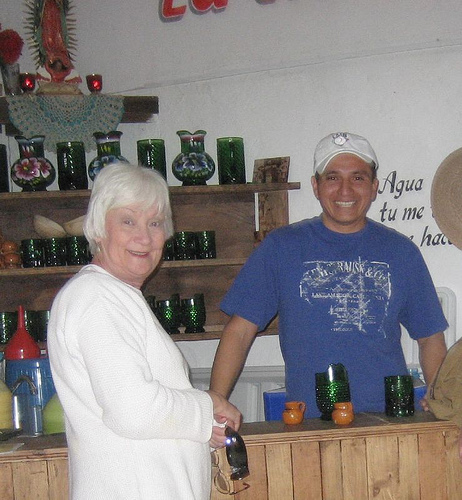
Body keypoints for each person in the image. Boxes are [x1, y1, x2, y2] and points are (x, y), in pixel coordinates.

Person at [210, 131, 448, 419]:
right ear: (316, 186)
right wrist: (215, 404)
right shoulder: (282, 247)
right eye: (333, 178)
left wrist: (441, 399)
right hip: (310, 423)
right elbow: (239, 331)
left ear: (374, 187)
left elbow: (430, 337)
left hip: (389, 420)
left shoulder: (401, 251)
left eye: (358, 178)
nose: (345, 191)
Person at [47, 163, 241, 500]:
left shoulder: (113, 296)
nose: (144, 237)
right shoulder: (97, 298)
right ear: (98, 228)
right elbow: (134, 412)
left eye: (155, 223)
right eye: (128, 221)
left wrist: (200, 427)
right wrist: (207, 405)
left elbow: (139, 412)